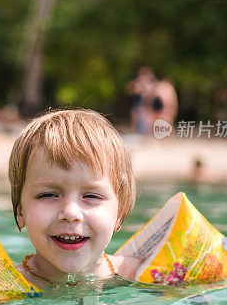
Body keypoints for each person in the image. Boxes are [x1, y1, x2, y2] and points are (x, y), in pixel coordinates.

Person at [8, 108, 145, 288]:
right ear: (21, 212)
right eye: (48, 195)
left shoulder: (141, 274)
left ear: (120, 213)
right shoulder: (5, 286)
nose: (70, 212)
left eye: (91, 196)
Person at [126, 66, 157, 134]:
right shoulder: (138, 83)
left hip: (147, 106)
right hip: (140, 106)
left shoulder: (152, 84)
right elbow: (130, 90)